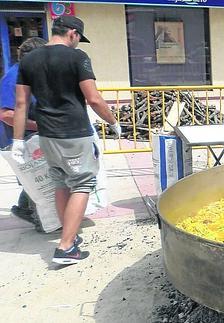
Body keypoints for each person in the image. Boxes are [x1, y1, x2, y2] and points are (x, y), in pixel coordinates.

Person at [12, 16, 121, 265]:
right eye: (79, 39)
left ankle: (67, 235)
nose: (78, 43)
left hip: (47, 134)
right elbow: (93, 98)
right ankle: (66, 247)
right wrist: (113, 122)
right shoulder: (77, 58)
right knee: (83, 183)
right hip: (74, 133)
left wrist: (18, 141)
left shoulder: (29, 59)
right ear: (72, 33)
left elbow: (21, 103)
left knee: (61, 182)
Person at [0, 37, 46, 226]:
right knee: (31, 176)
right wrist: (38, 125)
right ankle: (40, 218)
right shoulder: (13, 77)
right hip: (16, 138)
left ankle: (26, 208)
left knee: (36, 176)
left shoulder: (32, 74)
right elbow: (6, 115)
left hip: (30, 135)